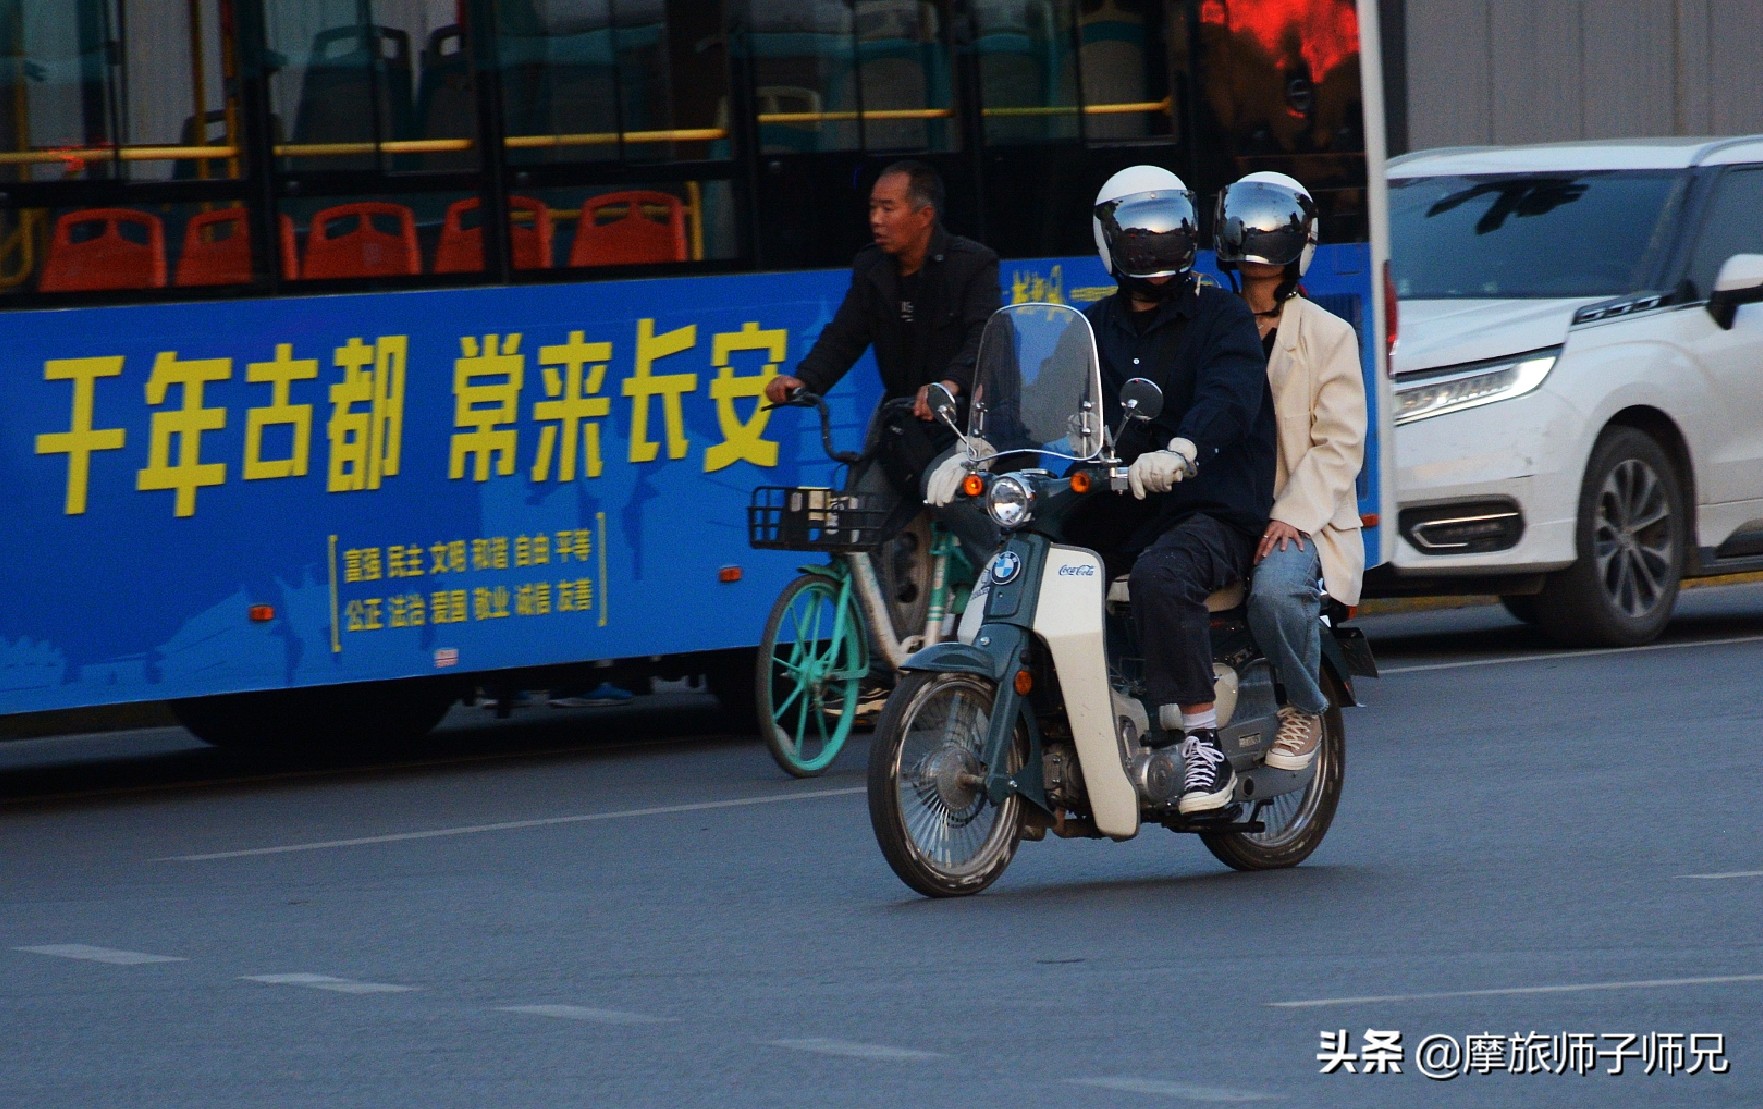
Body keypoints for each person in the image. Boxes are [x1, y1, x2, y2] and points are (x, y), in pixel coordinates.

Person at [933, 165, 1274, 814]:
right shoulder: (1091, 329)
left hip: (1210, 507)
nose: (1152, 245)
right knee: (1026, 556)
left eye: (1164, 226)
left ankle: (1204, 746)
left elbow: (1231, 395)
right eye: (1136, 230)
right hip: (1120, 504)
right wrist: (975, 449)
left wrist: (1183, 449)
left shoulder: (1221, 315)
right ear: (1107, 238)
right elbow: (1037, 409)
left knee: (1160, 576)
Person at [764, 159, 1001, 564]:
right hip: (903, 427)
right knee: (855, 526)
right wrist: (804, 381)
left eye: (887, 209)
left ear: (924, 216)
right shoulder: (871, 267)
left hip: (967, 425)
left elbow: (985, 338)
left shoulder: (972, 264)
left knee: (951, 495)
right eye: (872, 208)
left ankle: (1006, 591)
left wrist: (949, 384)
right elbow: (843, 336)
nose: (876, 220)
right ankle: (876, 627)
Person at [1214, 171, 1367, 771]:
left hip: (1300, 518)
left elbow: (1340, 445)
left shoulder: (1330, 335)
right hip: (1221, 509)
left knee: (1277, 593)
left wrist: (1290, 516)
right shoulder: (1209, 322)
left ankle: (1305, 706)